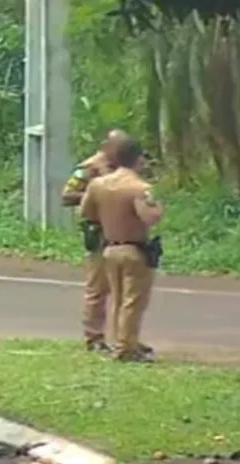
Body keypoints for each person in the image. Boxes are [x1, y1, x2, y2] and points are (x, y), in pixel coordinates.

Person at [79, 139, 164, 362]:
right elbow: (150, 217)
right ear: (138, 159)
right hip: (134, 249)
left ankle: (121, 341)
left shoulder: (98, 185)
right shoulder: (140, 188)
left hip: (110, 248)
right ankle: (126, 347)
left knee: (117, 299)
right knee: (133, 301)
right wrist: (156, 205)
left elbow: (86, 212)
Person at [61, 129, 129, 351]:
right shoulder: (90, 167)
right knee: (98, 289)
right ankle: (94, 337)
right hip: (99, 233)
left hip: (121, 233)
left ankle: (125, 338)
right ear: (106, 146)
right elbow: (67, 195)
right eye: (119, 148)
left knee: (124, 289)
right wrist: (97, 196)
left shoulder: (122, 167)